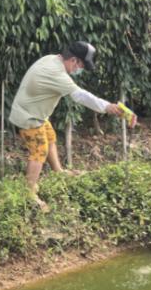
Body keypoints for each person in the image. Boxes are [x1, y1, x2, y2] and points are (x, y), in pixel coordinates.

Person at [9, 41, 125, 210]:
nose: (80, 70)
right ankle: (29, 193)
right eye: (81, 66)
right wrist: (107, 107)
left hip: (34, 112)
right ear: (73, 60)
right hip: (28, 117)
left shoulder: (52, 59)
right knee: (39, 150)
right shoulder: (57, 74)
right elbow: (81, 96)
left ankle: (59, 171)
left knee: (50, 137)